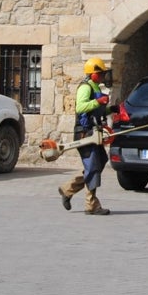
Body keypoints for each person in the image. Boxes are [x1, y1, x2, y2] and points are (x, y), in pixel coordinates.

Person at [57, 57, 113, 216]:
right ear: (93, 73)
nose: (103, 76)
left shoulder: (95, 86)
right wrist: (98, 102)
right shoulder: (85, 87)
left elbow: (97, 110)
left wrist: (112, 109)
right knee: (93, 167)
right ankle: (91, 205)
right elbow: (81, 107)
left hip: (94, 133)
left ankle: (67, 189)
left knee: (99, 162)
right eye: (100, 73)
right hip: (85, 133)